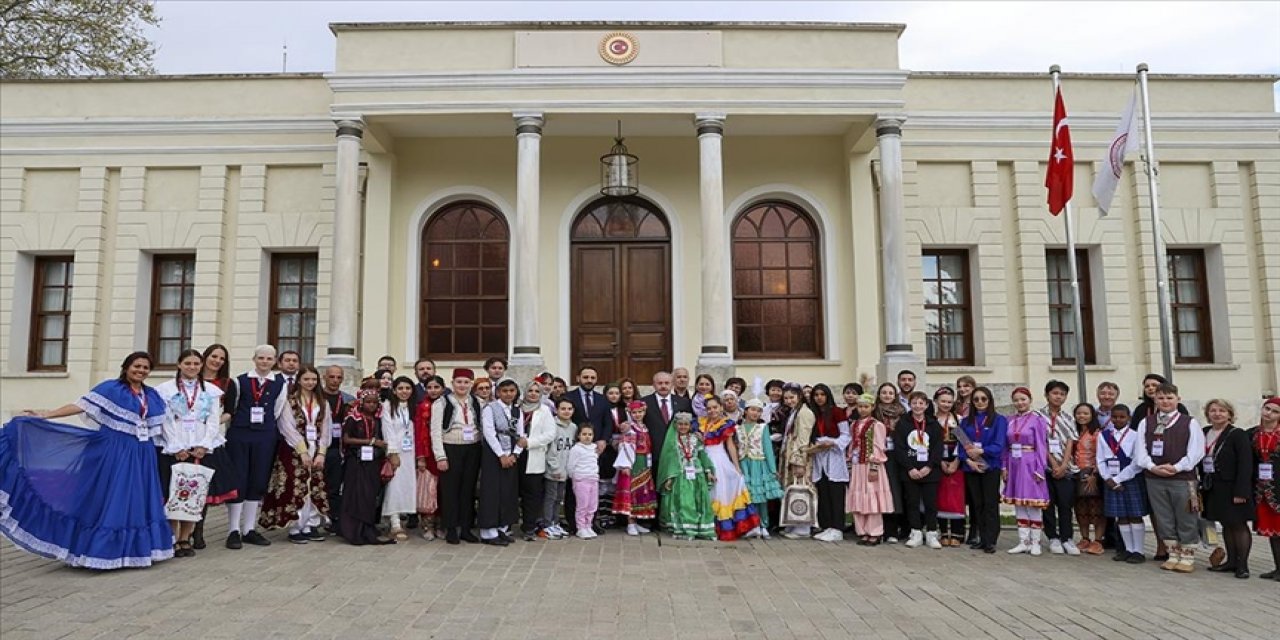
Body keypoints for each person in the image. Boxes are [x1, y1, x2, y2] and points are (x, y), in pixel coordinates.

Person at [3, 352, 172, 569]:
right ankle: (100, 550)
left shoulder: (152, 396)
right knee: (111, 497)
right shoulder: (111, 389)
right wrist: (46, 415)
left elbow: (163, 427)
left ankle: (132, 551)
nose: (140, 370)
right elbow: (81, 406)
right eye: (136, 366)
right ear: (126, 367)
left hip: (142, 453)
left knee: (137, 498)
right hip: (114, 450)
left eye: (145, 367)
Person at [155, 350, 225, 558]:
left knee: (194, 493)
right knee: (173, 493)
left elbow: (213, 420)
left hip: (199, 447)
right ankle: (173, 537)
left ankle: (186, 536)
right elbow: (165, 419)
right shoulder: (165, 390)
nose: (192, 367)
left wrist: (204, 444)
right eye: (188, 363)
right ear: (179, 364)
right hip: (175, 446)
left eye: (196, 363)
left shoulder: (210, 390)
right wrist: (175, 446)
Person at [1133, 382, 1205, 573]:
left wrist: (1176, 467)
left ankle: (1187, 555)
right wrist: (1152, 467)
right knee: (1163, 516)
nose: (1165, 401)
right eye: (1161, 398)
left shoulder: (1189, 422)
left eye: (1169, 398)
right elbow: (1140, 451)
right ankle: (1172, 554)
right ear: (1155, 399)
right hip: (1154, 478)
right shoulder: (1145, 423)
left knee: (1185, 515)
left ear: (1177, 400)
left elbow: (1196, 452)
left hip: (1182, 478)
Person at [224, 345, 289, 549]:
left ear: (275, 361)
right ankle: (233, 529)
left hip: (264, 435)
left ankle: (249, 529)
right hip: (240, 434)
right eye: (261, 358)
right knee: (239, 478)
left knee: (258, 480)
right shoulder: (239, 381)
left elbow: (278, 409)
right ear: (254, 359)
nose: (264, 362)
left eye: (269, 359)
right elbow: (231, 408)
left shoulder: (280, 383)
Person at [259, 366, 331, 544]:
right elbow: (287, 426)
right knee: (295, 485)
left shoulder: (322, 402)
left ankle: (310, 523)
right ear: (299, 380)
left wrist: (321, 452)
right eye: (306, 379)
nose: (310, 383)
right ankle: (295, 525)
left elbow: (326, 428)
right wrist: (302, 451)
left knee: (314, 485)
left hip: (316, 447)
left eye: (313, 379)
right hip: (293, 449)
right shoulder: (290, 401)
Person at [1200, 399, 1254, 579]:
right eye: (1213, 410)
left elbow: (1245, 464)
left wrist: (1242, 492)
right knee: (1225, 524)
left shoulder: (1237, 434)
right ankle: (1231, 561)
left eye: (1222, 410)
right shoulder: (1205, 432)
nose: (1217, 414)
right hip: (1213, 486)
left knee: (1238, 525)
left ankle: (1243, 565)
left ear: (1229, 414)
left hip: (1233, 486)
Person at [430, 368, 484, 545]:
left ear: (471, 384)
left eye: (466, 382)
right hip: (451, 447)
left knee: (468, 490)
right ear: (452, 383)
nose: (462, 385)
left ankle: (466, 528)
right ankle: (451, 528)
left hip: (472, 448)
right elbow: (435, 432)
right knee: (450, 490)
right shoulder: (442, 403)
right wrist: (440, 456)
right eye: (459, 382)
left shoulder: (477, 402)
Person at [699, 395, 761, 541]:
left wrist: (736, 466)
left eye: (715, 407)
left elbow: (730, 445)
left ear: (721, 407)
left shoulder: (726, 424)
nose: (712, 411)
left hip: (719, 459)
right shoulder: (701, 422)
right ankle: (707, 527)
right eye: (709, 408)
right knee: (707, 492)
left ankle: (726, 527)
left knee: (721, 492)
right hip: (703, 459)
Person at [338, 388, 394, 545]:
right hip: (355, 461)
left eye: (375, 403)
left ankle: (367, 528)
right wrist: (370, 442)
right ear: (361, 402)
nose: (371, 405)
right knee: (355, 494)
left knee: (369, 495)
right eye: (368, 402)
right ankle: (353, 530)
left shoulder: (378, 419)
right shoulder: (353, 418)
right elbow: (347, 439)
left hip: (372, 462)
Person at [196, 343, 238, 548]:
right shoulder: (191, 379)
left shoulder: (228, 383)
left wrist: (212, 423)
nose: (217, 361)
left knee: (204, 485)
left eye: (221, 359)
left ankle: (198, 531)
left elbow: (230, 411)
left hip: (211, 438)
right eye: (214, 356)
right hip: (188, 437)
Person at [1097, 404, 1149, 563]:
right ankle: (1127, 549)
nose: (1118, 420)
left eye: (1122, 417)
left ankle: (1138, 551)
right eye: (1115, 417)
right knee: (1122, 516)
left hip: (1131, 478)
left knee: (1135, 515)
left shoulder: (1135, 436)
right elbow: (1100, 459)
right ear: (1110, 418)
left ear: (1129, 418)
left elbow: (1137, 461)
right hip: (1111, 479)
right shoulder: (1103, 435)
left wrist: (1118, 479)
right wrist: (1107, 478)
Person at [957, 386, 1006, 553]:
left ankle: (991, 540)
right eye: (976, 399)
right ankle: (981, 537)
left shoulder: (999, 420)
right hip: (971, 467)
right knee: (976, 504)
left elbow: (999, 445)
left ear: (990, 401)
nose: (979, 402)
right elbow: (961, 445)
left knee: (990, 503)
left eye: (983, 399)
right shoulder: (965, 421)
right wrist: (968, 461)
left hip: (990, 466)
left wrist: (981, 451)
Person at [1003, 387, 1051, 556]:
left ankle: (1036, 541)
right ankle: (1023, 540)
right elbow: (1005, 446)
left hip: (1030, 462)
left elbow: (1041, 444)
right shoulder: (1009, 420)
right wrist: (1004, 467)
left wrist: (1040, 467)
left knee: (1033, 503)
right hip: (1014, 462)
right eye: (1016, 400)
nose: (1020, 403)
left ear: (1029, 400)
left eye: (1023, 399)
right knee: (1019, 503)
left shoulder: (1037, 420)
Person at [895, 391, 943, 549]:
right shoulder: (903, 423)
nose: (917, 406)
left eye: (921, 403)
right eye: (914, 403)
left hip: (930, 471)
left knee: (931, 503)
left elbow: (937, 448)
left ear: (927, 405)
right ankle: (915, 532)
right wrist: (910, 468)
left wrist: (929, 466)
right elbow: (899, 448)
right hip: (910, 470)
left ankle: (931, 532)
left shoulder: (933, 424)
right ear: (910, 404)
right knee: (912, 502)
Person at [657, 413, 716, 540]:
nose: (683, 427)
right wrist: (670, 477)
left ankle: (700, 528)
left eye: (686, 424)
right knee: (684, 501)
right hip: (680, 475)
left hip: (697, 474)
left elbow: (702, 455)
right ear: (676, 425)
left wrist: (708, 471)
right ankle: (685, 528)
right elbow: (669, 460)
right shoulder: (672, 441)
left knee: (698, 500)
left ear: (690, 426)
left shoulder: (696, 438)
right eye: (680, 424)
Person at [478, 378, 522, 546]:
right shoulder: (490, 408)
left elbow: (520, 434)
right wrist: (501, 455)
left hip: (511, 451)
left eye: (512, 391)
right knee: (492, 491)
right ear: (498, 393)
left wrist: (515, 454)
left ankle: (502, 528)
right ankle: (488, 531)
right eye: (505, 391)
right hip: (493, 453)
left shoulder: (517, 410)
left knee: (508, 491)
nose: (508, 394)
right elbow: (489, 432)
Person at [1039, 380, 1080, 556]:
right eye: (1055, 393)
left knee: (1065, 504)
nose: (1058, 397)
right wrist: (1053, 463)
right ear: (1047, 395)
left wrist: (1063, 465)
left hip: (1066, 467)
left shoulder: (1069, 418)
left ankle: (1067, 537)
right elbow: (1039, 442)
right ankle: (1052, 537)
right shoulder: (1038, 417)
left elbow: (1070, 441)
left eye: (1062, 394)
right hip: (1045, 467)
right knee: (1047, 504)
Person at [846, 393, 892, 545]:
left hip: (870, 465)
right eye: (860, 406)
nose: (862, 409)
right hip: (858, 465)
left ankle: (875, 532)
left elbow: (879, 447)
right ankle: (863, 531)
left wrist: (874, 466)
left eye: (866, 406)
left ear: (872, 407)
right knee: (859, 498)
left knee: (872, 498)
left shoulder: (877, 425)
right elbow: (853, 445)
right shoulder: (854, 425)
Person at [807, 384, 850, 542]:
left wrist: (831, 443)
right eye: (816, 395)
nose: (819, 398)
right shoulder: (814, 414)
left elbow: (846, 436)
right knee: (823, 491)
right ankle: (827, 526)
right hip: (819, 455)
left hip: (834, 455)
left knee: (836, 492)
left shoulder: (837, 412)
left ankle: (838, 527)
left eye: (822, 394)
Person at [516, 381, 555, 541]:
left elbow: (550, 434)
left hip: (533, 455)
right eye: (530, 390)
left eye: (536, 391)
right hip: (515, 455)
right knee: (512, 492)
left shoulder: (544, 410)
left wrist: (530, 442)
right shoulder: (516, 408)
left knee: (532, 495)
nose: (533, 394)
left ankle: (529, 527)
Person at [612, 401, 658, 535]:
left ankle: (636, 521)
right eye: (634, 413)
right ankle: (630, 523)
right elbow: (625, 447)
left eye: (640, 412)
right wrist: (626, 464)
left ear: (644, 412)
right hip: (634, 461)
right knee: (632, 492)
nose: (637, 415)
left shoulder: (644, 427)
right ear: (630, 414)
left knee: (641, 493)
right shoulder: (629, 428)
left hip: (644, 462)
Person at [738, 398, 782, 537]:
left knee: (760, 496)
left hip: (758, 463)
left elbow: (768, 449)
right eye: (752, 410)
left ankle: (763, 524)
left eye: (758, 411)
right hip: (744, 464)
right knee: (748, 495)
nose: (755, 413)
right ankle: (752, 524)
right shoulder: (736, 428)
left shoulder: (763, 428)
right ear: (745, 411)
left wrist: (772, 469)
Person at [381, 377, 417, 541]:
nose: (404, 391)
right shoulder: (388, 406)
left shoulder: (413, 406)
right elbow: (387, 429)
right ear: (394, 390)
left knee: (406, 485)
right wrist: (392, 452)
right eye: (400, 388)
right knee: (394, 486)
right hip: (395, 452)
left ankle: (403, 517)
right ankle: (394, 522)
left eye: (407, 388)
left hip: (410, 452)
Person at [318, 365, 353, 533]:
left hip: (338, 448)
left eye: (339, 377)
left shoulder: (347, 399)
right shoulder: (317, 397)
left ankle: (333, 518)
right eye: (331, 377)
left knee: (334, 485)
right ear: (324, 377)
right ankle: (315, 518)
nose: (335, 381)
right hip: (318, 446)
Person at [779, 384, 815, 539]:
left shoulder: (805, 413)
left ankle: (803, 527)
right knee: (792, 489)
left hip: (799, 456)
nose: (788, 401)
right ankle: (793, 522)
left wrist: (799, 460)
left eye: (792, 397)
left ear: (799, 396)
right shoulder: (795, 412)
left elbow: (803, 438)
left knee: (801, 488)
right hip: (790, 454)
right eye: (786, 398)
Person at [1251, 397, 1280, 581]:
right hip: (1262, 489)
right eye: (1266, 408)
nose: (1268, 413)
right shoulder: (1253, 434)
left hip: (1278, 487)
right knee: (1274, 533)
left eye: (1275, 411)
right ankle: (1278, 568)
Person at [873, 382, 906, 542]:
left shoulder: (902, 413)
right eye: (884, 392)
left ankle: (894, 529)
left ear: (895, 396)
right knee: (879, 490)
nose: (887, 396)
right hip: (878, 454)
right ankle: (879, 528)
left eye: (890, 393)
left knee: (894, 490)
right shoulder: (873, 412)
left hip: (896, 455)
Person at [1070, 402, 1105, 555]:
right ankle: (1085, 538)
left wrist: (1094, 474)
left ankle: (1097, 541)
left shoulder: (1097, 433)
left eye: (1085, 413)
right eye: (1079, 413)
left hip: (1091, 472)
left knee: (1096, 507)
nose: (1082, 416)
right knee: (1080, 508)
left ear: (1092, 416)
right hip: (1076, 472)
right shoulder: (1073, 431)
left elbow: (1101, 455)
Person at [933, 387, 966, 547]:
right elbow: (929, 444)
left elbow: (964, 443)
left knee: (955, 497)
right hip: (938, 460)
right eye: (943, 401)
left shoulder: (958, 419)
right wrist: (939, 461)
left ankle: (958, 533)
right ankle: (943, 532)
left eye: (949, 401)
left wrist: (956, 461)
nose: (946, 404)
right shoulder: (931, 420)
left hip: (955, 460)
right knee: (940, 496)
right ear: (936, 402)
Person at [412, 374, 443, 540]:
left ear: (443, 389)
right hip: (427, 451)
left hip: (444, 452)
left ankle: (440, 524)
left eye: (436, 387)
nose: (433, 391)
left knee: (441, 491)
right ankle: (427, 526)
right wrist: (421, 456)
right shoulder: (422, 406)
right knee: (428, 490)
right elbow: (419, 433)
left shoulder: (447, 404)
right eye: (429, 387)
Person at [541, 398, 578, 540]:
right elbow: (550, 450)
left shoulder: (574, 427)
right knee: (550, 498)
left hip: (566, 470)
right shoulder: (552, 426)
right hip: (553, 470)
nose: (566, 411)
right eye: (563, 409)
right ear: (556, 410)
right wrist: (555, 468)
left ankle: (555, 522)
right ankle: (547, 524)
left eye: (569, 409)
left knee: (559, 499)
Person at [567, 425, 602, 539]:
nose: (587, 437)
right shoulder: (576, 449)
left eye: (590, 434)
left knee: (592, 505)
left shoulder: (594, 448)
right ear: (579, 435)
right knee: (583, 505)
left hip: (593, 479)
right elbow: (571, 465)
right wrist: (574, 477)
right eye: (584, 434)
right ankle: (580, 527)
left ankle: (588, 525)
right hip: (581, 480)